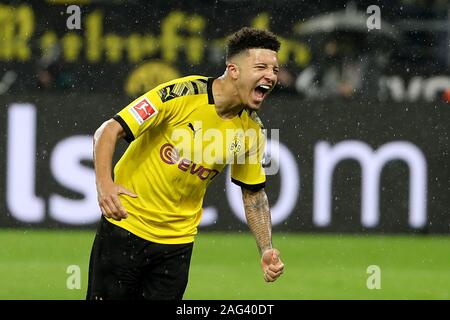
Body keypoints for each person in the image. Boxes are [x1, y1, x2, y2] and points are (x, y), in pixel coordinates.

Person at [86, 27, 285, 300]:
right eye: (261, 66)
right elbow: (108, 131)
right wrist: (104, 185)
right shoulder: (180, 94)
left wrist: (265, 248)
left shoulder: (252, 129)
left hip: (177, 245)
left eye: (275, 70)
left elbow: (254, 194)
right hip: (126, 229)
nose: (270, 76)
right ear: (233, 70)